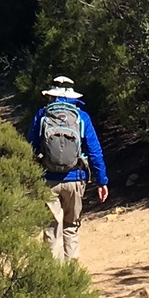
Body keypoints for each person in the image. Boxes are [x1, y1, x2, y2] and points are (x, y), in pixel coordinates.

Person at [29, 75, 108, 262]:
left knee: (51, 228)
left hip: (48, 179)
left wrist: (29, 177)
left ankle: (54, 279)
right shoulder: (82, 117)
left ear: (51, 94)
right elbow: (95, 151)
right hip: (75, 179)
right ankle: (72, 276)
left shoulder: (42, 115)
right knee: (71, 227)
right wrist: (102, 180)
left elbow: (30, 146)